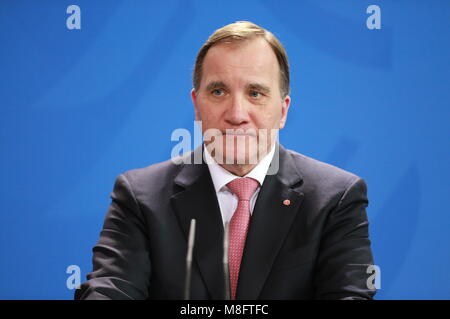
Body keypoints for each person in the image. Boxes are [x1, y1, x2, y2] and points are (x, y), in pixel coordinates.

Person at [75, 21, 376, 300]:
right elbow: (110, 290)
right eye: (218, 91)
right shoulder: (140, 196)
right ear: (196, 104)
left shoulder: (336, 198)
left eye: (255, 93)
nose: (236, 114)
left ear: (282, 111)